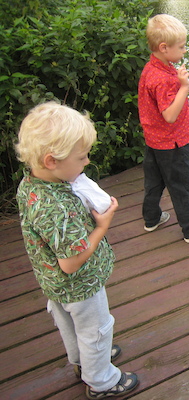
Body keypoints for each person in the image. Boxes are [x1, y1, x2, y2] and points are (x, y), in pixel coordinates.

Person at [15, 102, 139, 399]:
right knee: (96, 329)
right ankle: (102, 380)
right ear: (51, 160)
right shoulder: (55, 206)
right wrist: (101, 226)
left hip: (54, 285)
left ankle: (81, 362)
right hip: (80, 285)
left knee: (69, 324)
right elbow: (70, 263)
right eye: (81, 157)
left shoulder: (32, 185)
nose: (86, 162)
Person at [138, 13, 189, 243]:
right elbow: (170, 115)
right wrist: (184, 87)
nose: (184, 51)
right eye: (181, 47)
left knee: (154, 181)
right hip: (173, 143)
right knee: (181, 187)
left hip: (154, 140)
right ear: (164, 47)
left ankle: (151, 218)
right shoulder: (164, 79)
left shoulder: (152, 68)